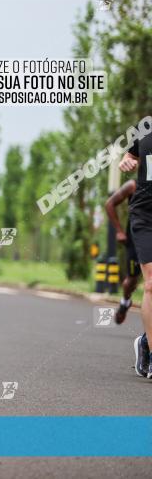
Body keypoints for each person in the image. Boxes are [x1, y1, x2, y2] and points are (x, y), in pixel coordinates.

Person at [118, 119, 152, 378]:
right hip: (145, 214)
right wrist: (126, 161)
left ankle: (145, 341)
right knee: (151, 283)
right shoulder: (146, 126)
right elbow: (127, 158)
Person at [104, 179, 139, 324]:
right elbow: (109, 204)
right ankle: (125, 302)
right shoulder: (133, 185)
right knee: (131, 280)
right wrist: (119, 231)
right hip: (135, 240)